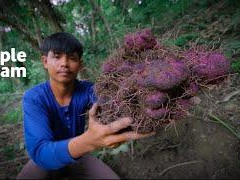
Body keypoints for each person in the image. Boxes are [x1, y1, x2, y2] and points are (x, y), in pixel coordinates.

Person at [16, 32, 154, 179]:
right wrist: (90, 141)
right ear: (45, 61)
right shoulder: (34, 98)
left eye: (72, 58)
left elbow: (112, 103)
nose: (64, 63)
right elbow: (40, 152)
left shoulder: (89, 90)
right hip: (45, 161)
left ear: (80, 65)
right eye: (57, 57)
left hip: (80, 156)